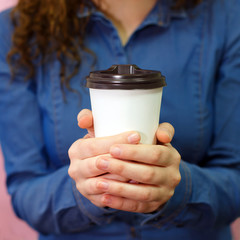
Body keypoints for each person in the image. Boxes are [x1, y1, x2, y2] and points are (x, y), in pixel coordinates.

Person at [0, 0, 240, 239]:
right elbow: (25, 191)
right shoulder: (15, 30)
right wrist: (87, 187)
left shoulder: (227, 18)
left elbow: (235, 180)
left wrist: (178, 189)